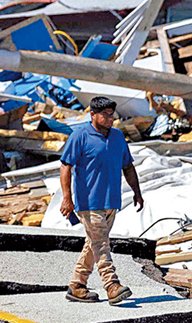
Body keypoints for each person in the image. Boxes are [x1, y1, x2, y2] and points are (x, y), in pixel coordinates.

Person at [59, 96, 144, 304]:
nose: (109, 119)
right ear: (92, 115)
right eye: (104, 115)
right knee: (102, 244)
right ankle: (111, 285)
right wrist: (67, 198)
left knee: (93, 244)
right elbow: (65, 166)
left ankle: (76, 285)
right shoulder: (79, 136)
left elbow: (128, 166)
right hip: (89, 203)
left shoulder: (117, 137)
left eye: (111, 115)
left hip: (111, 201)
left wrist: (137, 191)